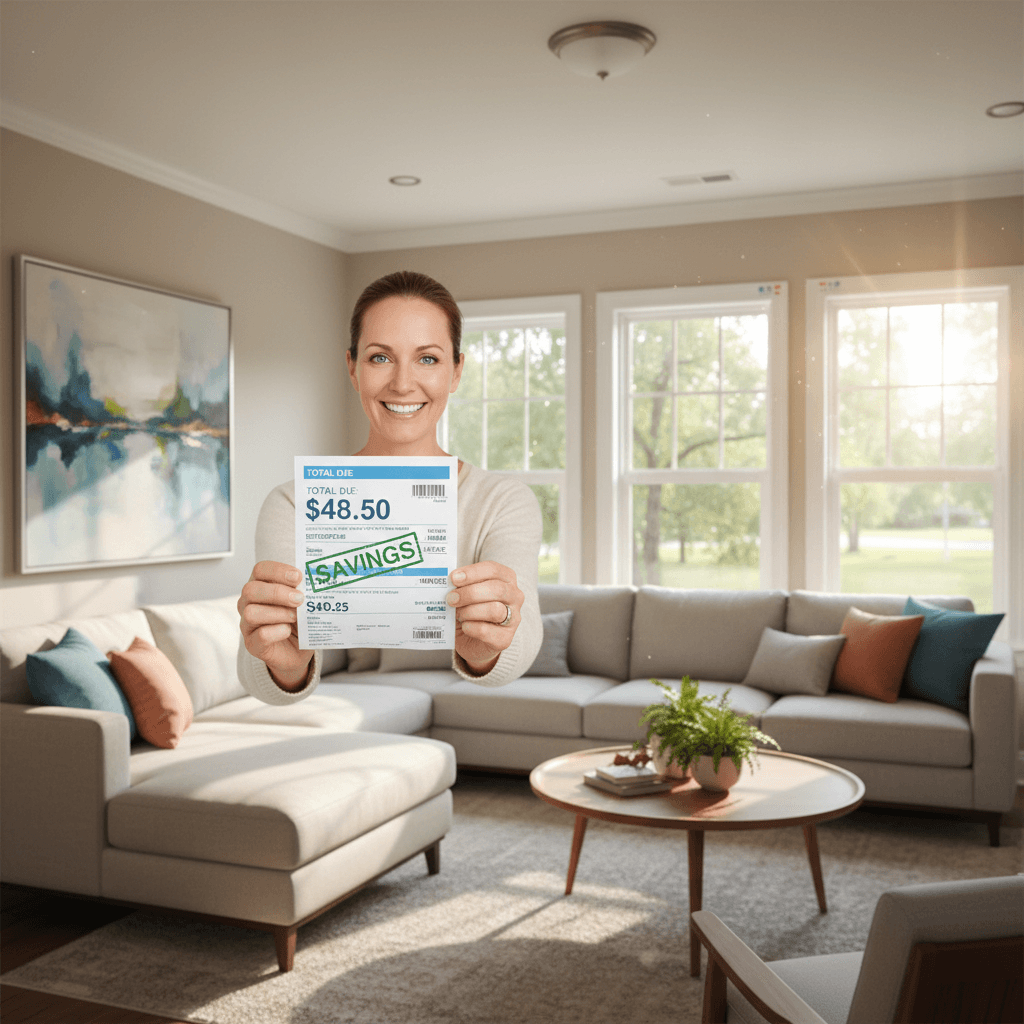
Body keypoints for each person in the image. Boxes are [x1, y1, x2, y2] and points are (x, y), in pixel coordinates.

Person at [237, 270, 543, 703]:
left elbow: (524, 637)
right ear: (352, 368)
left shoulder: (503, 501)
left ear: (456, 371)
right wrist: (283, 665)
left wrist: (490, 647)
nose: (402, 383)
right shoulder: (292, 503)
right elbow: (258, 668)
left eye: (428, 359)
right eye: (380, 357)